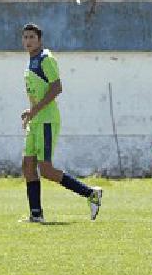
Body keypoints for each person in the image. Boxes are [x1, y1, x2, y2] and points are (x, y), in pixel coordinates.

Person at [20, 23, 102, 223]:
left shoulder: (46, 59)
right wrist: (30, 114)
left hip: (47, 120)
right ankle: (36, 214)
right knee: (28, 166)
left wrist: (35, 111)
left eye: (32, 37)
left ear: (40, 40)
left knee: (46, 169)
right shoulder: (31, 62)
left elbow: (57, 87)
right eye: (25, 37)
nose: (28, 41)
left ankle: (90, 193)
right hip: (37, 120)